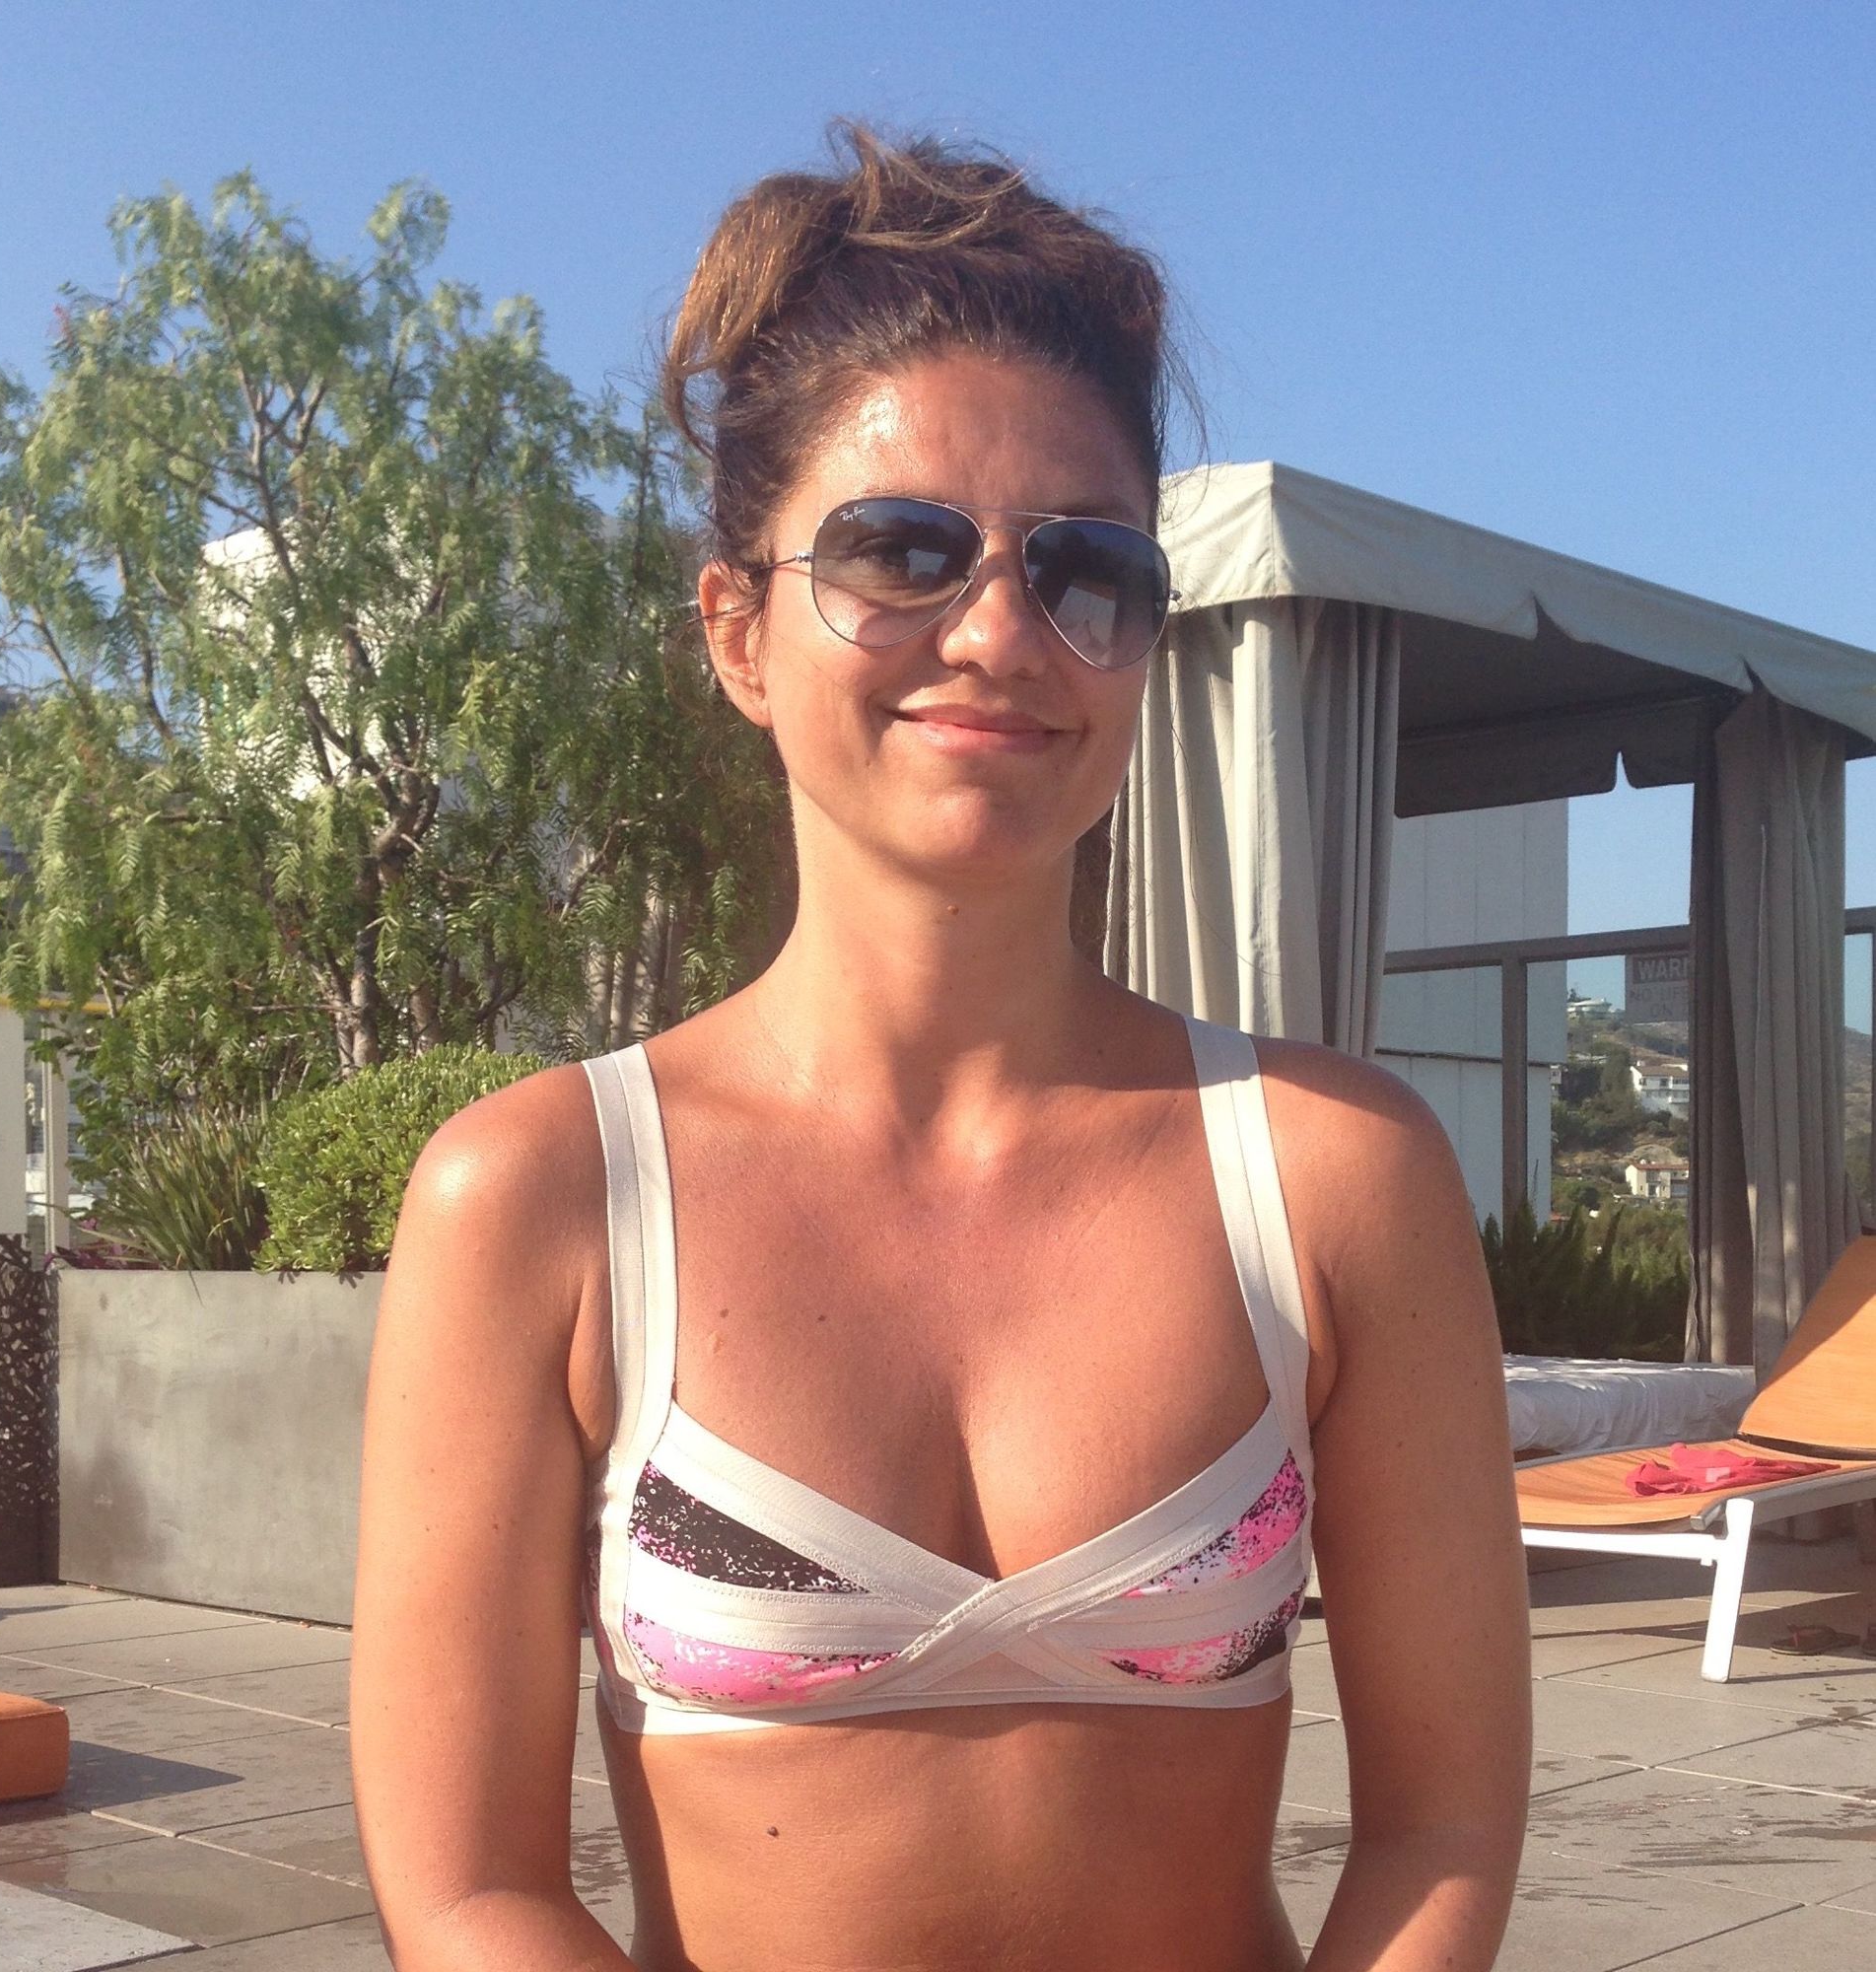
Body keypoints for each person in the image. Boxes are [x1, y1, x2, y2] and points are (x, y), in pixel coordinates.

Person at [350, 124, 1531, 1972]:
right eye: (899, 550)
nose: (997, 633)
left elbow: (1444, 1824)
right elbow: (469, 1886)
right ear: (738, 631)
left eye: (1086, 570)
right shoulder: (543, 1197)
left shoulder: (1328, 1173)